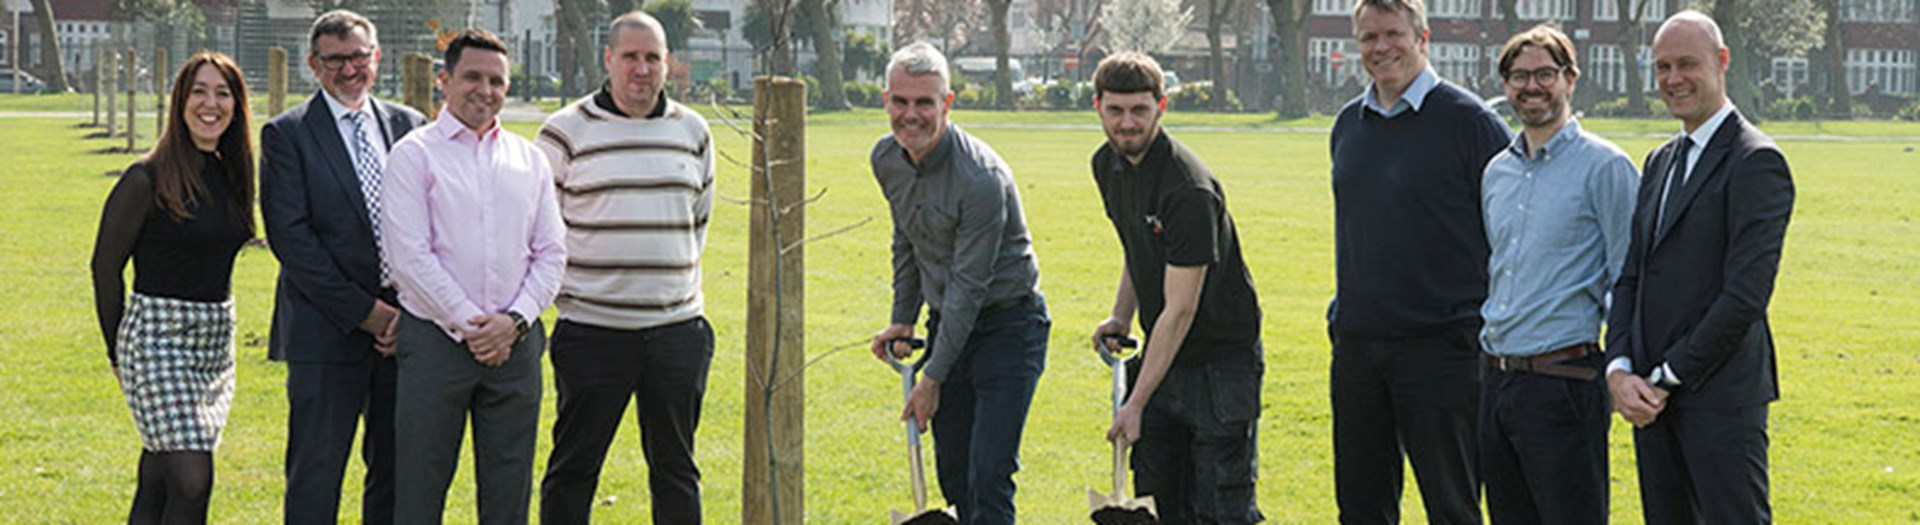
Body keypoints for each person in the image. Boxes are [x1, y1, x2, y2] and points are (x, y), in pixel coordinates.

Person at [1325, 0, 1511, 523]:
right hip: (1359, 349)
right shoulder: (1348, 125)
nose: (1381, 48)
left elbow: (1510, 236)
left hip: (1442, 350)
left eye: (1392, 34)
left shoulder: (1471, 124)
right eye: (1368, 38)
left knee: (1452, 506)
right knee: (1360, 507)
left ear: (1422, 38)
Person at [1606, 11, 1794, 524]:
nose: (1673, 79)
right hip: (1649, 400)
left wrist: (1669, 376)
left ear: (1722, 62)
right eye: (1662, 66)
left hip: (1720, 400)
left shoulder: (1757, 161)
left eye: (1687, 64)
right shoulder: (1660, 160)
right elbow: (1631, 274)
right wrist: (1620, 368)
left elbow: (1745, 297)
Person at [533, 11, 717, 525]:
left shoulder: (693, 131)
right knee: (573, 471)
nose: (642, 68)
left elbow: (696, 221)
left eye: (653, 57)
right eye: (631, 56)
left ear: (669, 64)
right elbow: (540, 232)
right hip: (593, 333)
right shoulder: (564, 132)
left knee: (677, 472)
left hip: (677, 333)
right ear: (609, 59)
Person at [380, 28, 566, 525]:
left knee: (509, 495)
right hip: (436, 343)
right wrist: (473, 325)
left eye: (497, 81)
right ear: (444, 80)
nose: (485, 90)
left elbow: (551, 253)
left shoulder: (530, 160)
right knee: (419, 489)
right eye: (472, 77)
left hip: (516, 346)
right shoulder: (413, 155)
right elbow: (409, 258)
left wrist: (514, 322)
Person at [868, 41, 1050, 525]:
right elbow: (906, 241)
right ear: (886, 99)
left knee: (989, 475)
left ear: (947, 104)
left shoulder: (980, 178)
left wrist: (932, 378)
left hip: (1008, 327)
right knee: (954, 474)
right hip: (947, 319)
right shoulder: (886, 159)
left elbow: (970, 287)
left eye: (925, 102)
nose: (911, 115)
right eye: (901, 101)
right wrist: (903, 320)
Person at [259, 10, 427, 525]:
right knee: (316, 473)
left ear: (376, 57)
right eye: (336, 61)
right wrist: (366, 313)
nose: (350, 70)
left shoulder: (410, 126)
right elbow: (293, 241)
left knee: (397, 473)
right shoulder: (287, 134)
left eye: (359, 57)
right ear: (314, 65)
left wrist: (407, 313)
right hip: (325, 332)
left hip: (406, 332)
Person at [1086, 52, 1265, 524]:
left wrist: (1135, 402)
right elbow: (1136, 241)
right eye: (1116, 110)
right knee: (1160, 505)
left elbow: (1180, 310)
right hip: (1166, 358)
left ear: (1161, 106)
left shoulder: (1187, 189)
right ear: (1098, 107)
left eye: (1139, 110)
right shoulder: (1108, 164)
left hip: (1219, 364)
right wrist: (1121, 316)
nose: (1127, 123)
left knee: (1220, 510)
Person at [1477, 24, 1638, 525]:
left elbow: (1628, 278)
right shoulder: (1495, 173)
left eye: (1545, 73)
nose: (1532, 86)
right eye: (1519, 75)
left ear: (1570, 79)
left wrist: (1621, 368)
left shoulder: (1606, 167)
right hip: (1496, 381)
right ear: (1505, 85)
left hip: (1563, 383)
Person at [90, 51, 255, 525]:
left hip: (214, 341)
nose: (211, 104)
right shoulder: (146, 178)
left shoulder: (234, 173)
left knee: (161, 475)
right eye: (199, 91)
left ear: (236, 105)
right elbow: (104, 268)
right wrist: (117, 354)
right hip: (157, 338)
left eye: (223, 93)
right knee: (191, 478)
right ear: (179, 102)